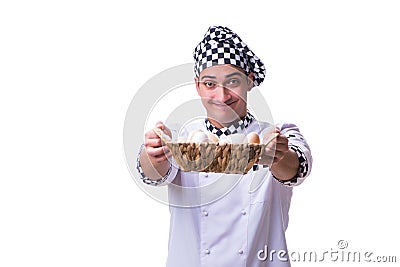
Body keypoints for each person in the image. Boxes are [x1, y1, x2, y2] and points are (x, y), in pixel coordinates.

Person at [136, 26, 312, 267]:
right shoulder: (181, 136)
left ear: (249, 81)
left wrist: (277, 156)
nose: (222, 95)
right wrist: (154, 153)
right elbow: (151, 173)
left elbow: (297, 170)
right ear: (198, 86)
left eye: (233, 82)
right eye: (210, 84)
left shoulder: (277, 134)